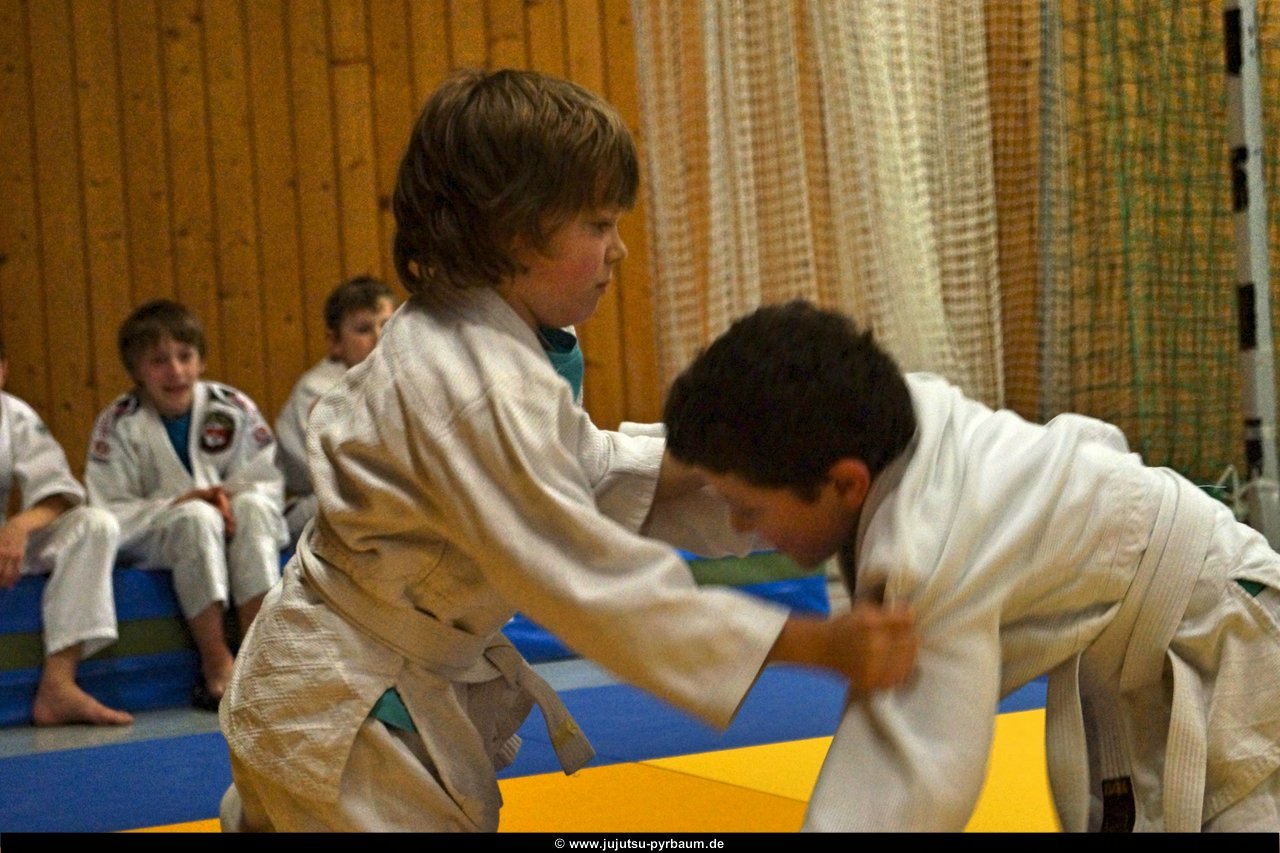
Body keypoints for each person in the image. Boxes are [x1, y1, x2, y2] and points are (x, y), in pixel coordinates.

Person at [217, 68, 918, 833]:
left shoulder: (494, 337)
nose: (619, 250)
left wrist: (731, 459)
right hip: (353, 719)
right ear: (514, 232)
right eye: (598, 224)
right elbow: (581, 574)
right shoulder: (477, 383)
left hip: (334, 691)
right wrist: (814, 642)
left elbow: (582, 471)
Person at [662, 299, 1280, 833]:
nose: (739, 529)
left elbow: (908, 787)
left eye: (748, 510)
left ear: (847, 484)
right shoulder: (880, 416)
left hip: (1230, 638)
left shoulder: (929, 556)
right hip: (1151, 640)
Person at [85, 299, 287, 711]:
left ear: (201, 360)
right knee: (195, 518)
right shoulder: (118, 424)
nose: (175, 371)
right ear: (137, 371)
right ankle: (216, 661)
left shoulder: (232, 407)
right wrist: (180, 503)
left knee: (252, 507)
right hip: (157, 535)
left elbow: (266, 480)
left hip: (236, 522)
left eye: (185, 356)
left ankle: (259, 655)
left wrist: (226, 498)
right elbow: (109, 510)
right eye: (159, 361)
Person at [0, 338, 131, 726]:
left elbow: (59, 493)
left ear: (3, 371)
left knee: (94, 525)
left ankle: (58, 684)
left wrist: (19, 526)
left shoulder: (13, 416)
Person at [275, 275, 397, 545]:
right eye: (364, 329)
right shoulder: (317, 390)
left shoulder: (403, 378)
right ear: (335, 342)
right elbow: (337, 474)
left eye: (387, 325)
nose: (379, 337)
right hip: (315, 506)